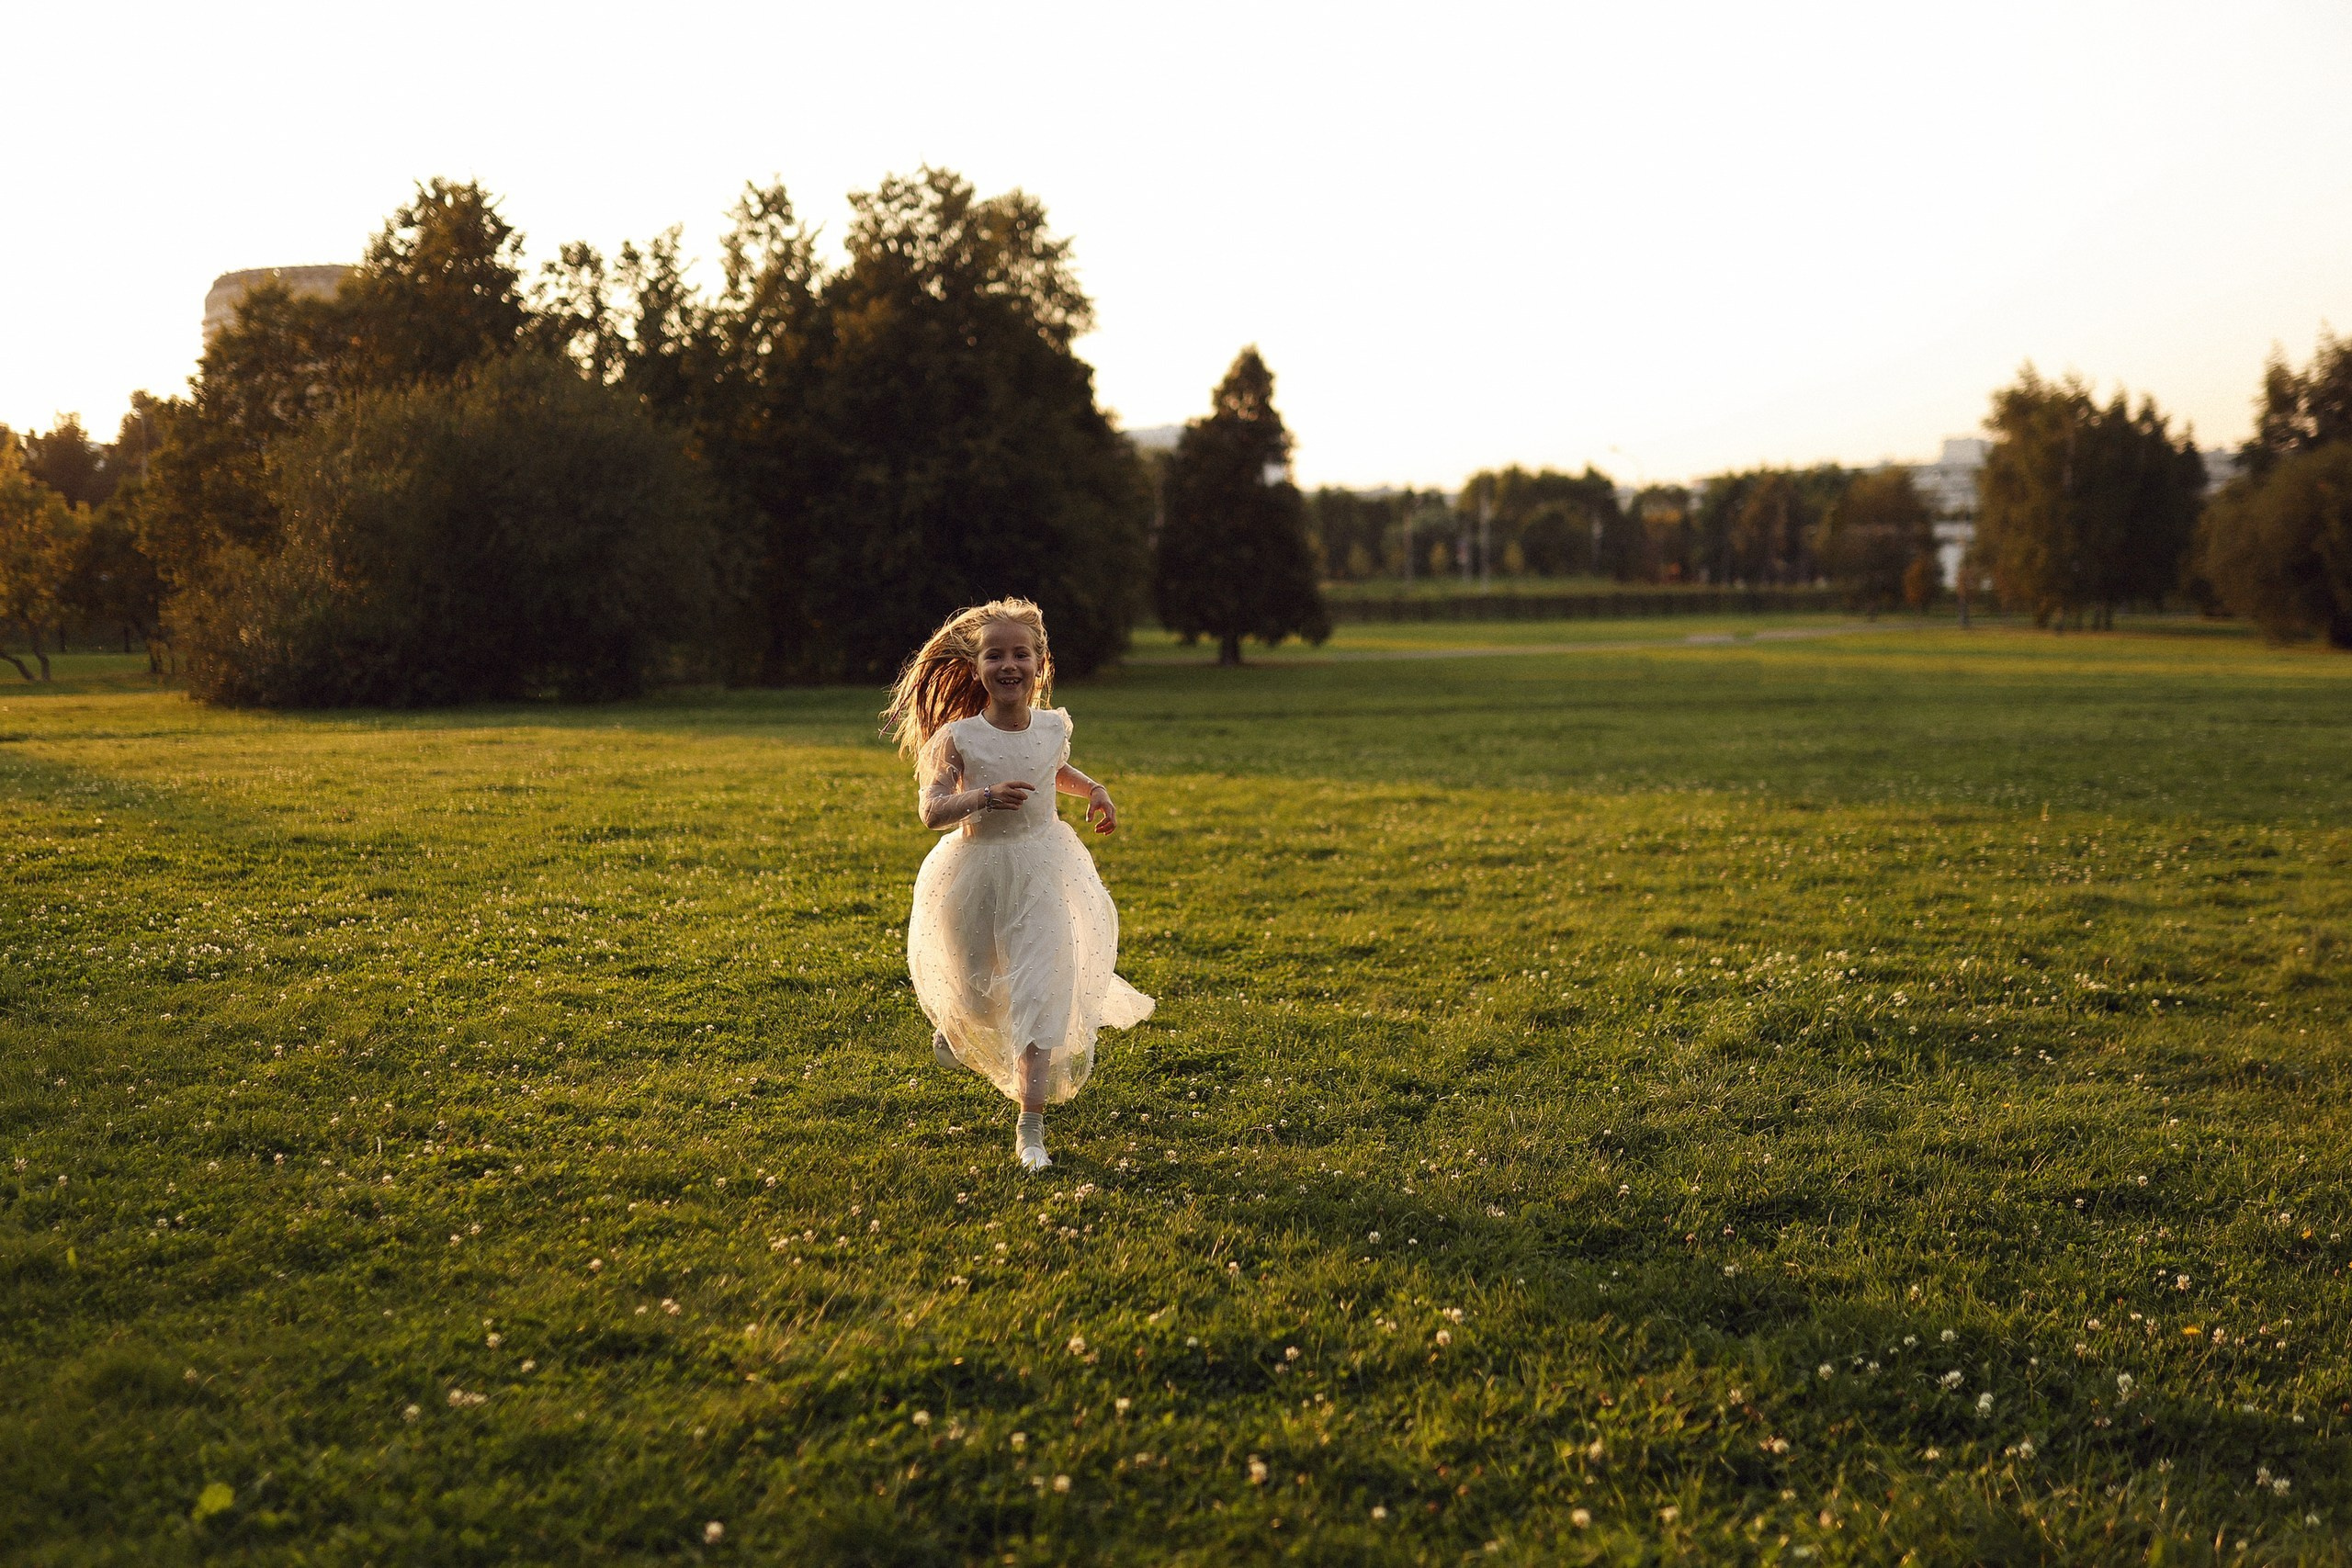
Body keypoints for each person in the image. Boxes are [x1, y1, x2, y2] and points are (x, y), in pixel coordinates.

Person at [885, 599, 1154, 1171]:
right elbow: (931, 811)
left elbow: (1051, 769)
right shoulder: (958, 739)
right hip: (976, 871)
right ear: (976, 666)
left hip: (1046, 870)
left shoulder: (1055, 725)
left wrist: (1097, 790)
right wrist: (982, 798)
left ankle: (1029, 1129)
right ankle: (958, 1027)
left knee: (1040, 993)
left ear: (1040, 662)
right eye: (995, 655)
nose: (1009, 665)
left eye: (1020, 654)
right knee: (980, 999)